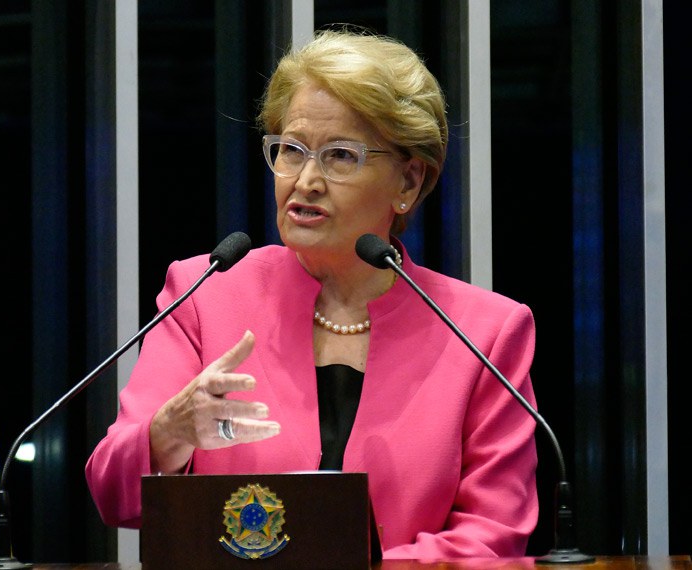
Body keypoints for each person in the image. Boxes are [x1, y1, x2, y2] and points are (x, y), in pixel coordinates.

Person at [86, 27, 538, 560]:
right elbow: (113, 491)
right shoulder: (204, 295)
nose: (306, 181)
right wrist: (168, 433)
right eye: (291, 150)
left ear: (408, 182)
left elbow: (495, 532)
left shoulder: (484, 332)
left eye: (340, 156)